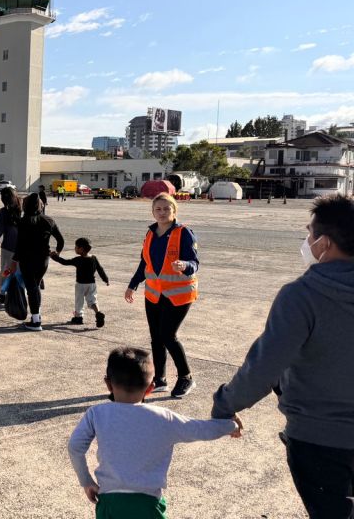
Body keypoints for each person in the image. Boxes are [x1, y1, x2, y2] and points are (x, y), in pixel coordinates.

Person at [211, 194, 354, 518]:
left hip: (320, 440)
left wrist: (224, 405)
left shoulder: (302, 296)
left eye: (309, 234)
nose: (307, 241)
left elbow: (263, 368)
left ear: (325, 244)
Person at [69, 347, 241, 519]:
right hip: (148, 504)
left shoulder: (96, 413)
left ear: (108, 384)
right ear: (150, 388)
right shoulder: (164, 418)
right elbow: (202, 430)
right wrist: (230, 425)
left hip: (109, 502)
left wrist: (87, 481)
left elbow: (75, 447)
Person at [124, 192, 199, 398]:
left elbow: (195, 263)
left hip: (178, 295)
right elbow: (144, 263)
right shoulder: (150, 233)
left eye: (167, 209)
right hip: (154, 294)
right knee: (156, 338)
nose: (163, 212)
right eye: (158, 209)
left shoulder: (184, 233)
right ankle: (160, 380)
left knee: (168, 335)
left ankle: (186, 377)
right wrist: (133, 285)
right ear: (153, 212)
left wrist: (184, 265)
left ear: (175, 211)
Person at [15, 193, 64, 330]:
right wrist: (57, 252)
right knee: (35, 286)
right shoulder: (48, 221)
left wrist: (14, 261)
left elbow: (19, 245)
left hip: (26, 260)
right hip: (43, 260)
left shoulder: (22, 222)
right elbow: (60, 240)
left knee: (31, 288)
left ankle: (36, 321)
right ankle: (37, 316)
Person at [51, 237, 110, 327]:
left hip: (80, 285)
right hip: (92, 284)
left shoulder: (78, 260)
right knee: (93, 300)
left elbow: (65, 262)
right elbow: (100, 269)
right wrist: (105, 279)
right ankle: (98, 313)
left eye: (76, 247)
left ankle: (78, 317)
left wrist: (54, 257)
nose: (75, 248)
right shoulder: (94, 258)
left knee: (79, 301)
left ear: (81, 249)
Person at [0, 187, 22, 302]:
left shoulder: (3, 212)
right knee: (20, 272)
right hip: (24, 249)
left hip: (8, 248)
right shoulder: (23, 209)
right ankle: (20, 294)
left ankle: (3, 292)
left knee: (6, 270)